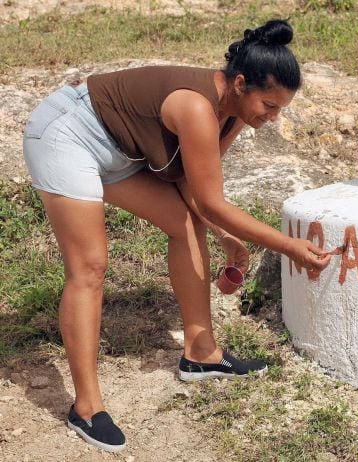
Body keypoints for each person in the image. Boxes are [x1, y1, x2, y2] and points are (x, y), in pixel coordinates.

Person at [22, 19, 331, 453]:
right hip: (67, 135)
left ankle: (201, 353)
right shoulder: (196, 107)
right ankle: (87, 408)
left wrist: (225, 235)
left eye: (281, 109)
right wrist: (287, 247)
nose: (273, 117)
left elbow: (192, 183)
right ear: (240, 83)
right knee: (89, 266)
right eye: (269, 105)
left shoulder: (235, 113)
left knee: (186, 225)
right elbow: (212, 200)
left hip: (117, 150)